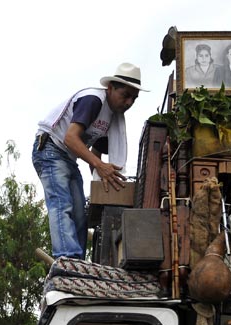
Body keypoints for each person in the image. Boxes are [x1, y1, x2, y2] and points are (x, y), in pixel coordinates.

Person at [33, 62, 147, 259]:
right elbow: (70, 138)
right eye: (125, 95)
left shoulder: (112, 118)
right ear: (110, 88)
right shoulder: (93, 100)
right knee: (62, 203)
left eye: (133, 98)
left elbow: (96, 153)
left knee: (79, 213)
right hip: (50, 149)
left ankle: (76, 260)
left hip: (68, 157)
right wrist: (99, 166)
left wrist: (101, 183)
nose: (129, 102)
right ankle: (67, 258)